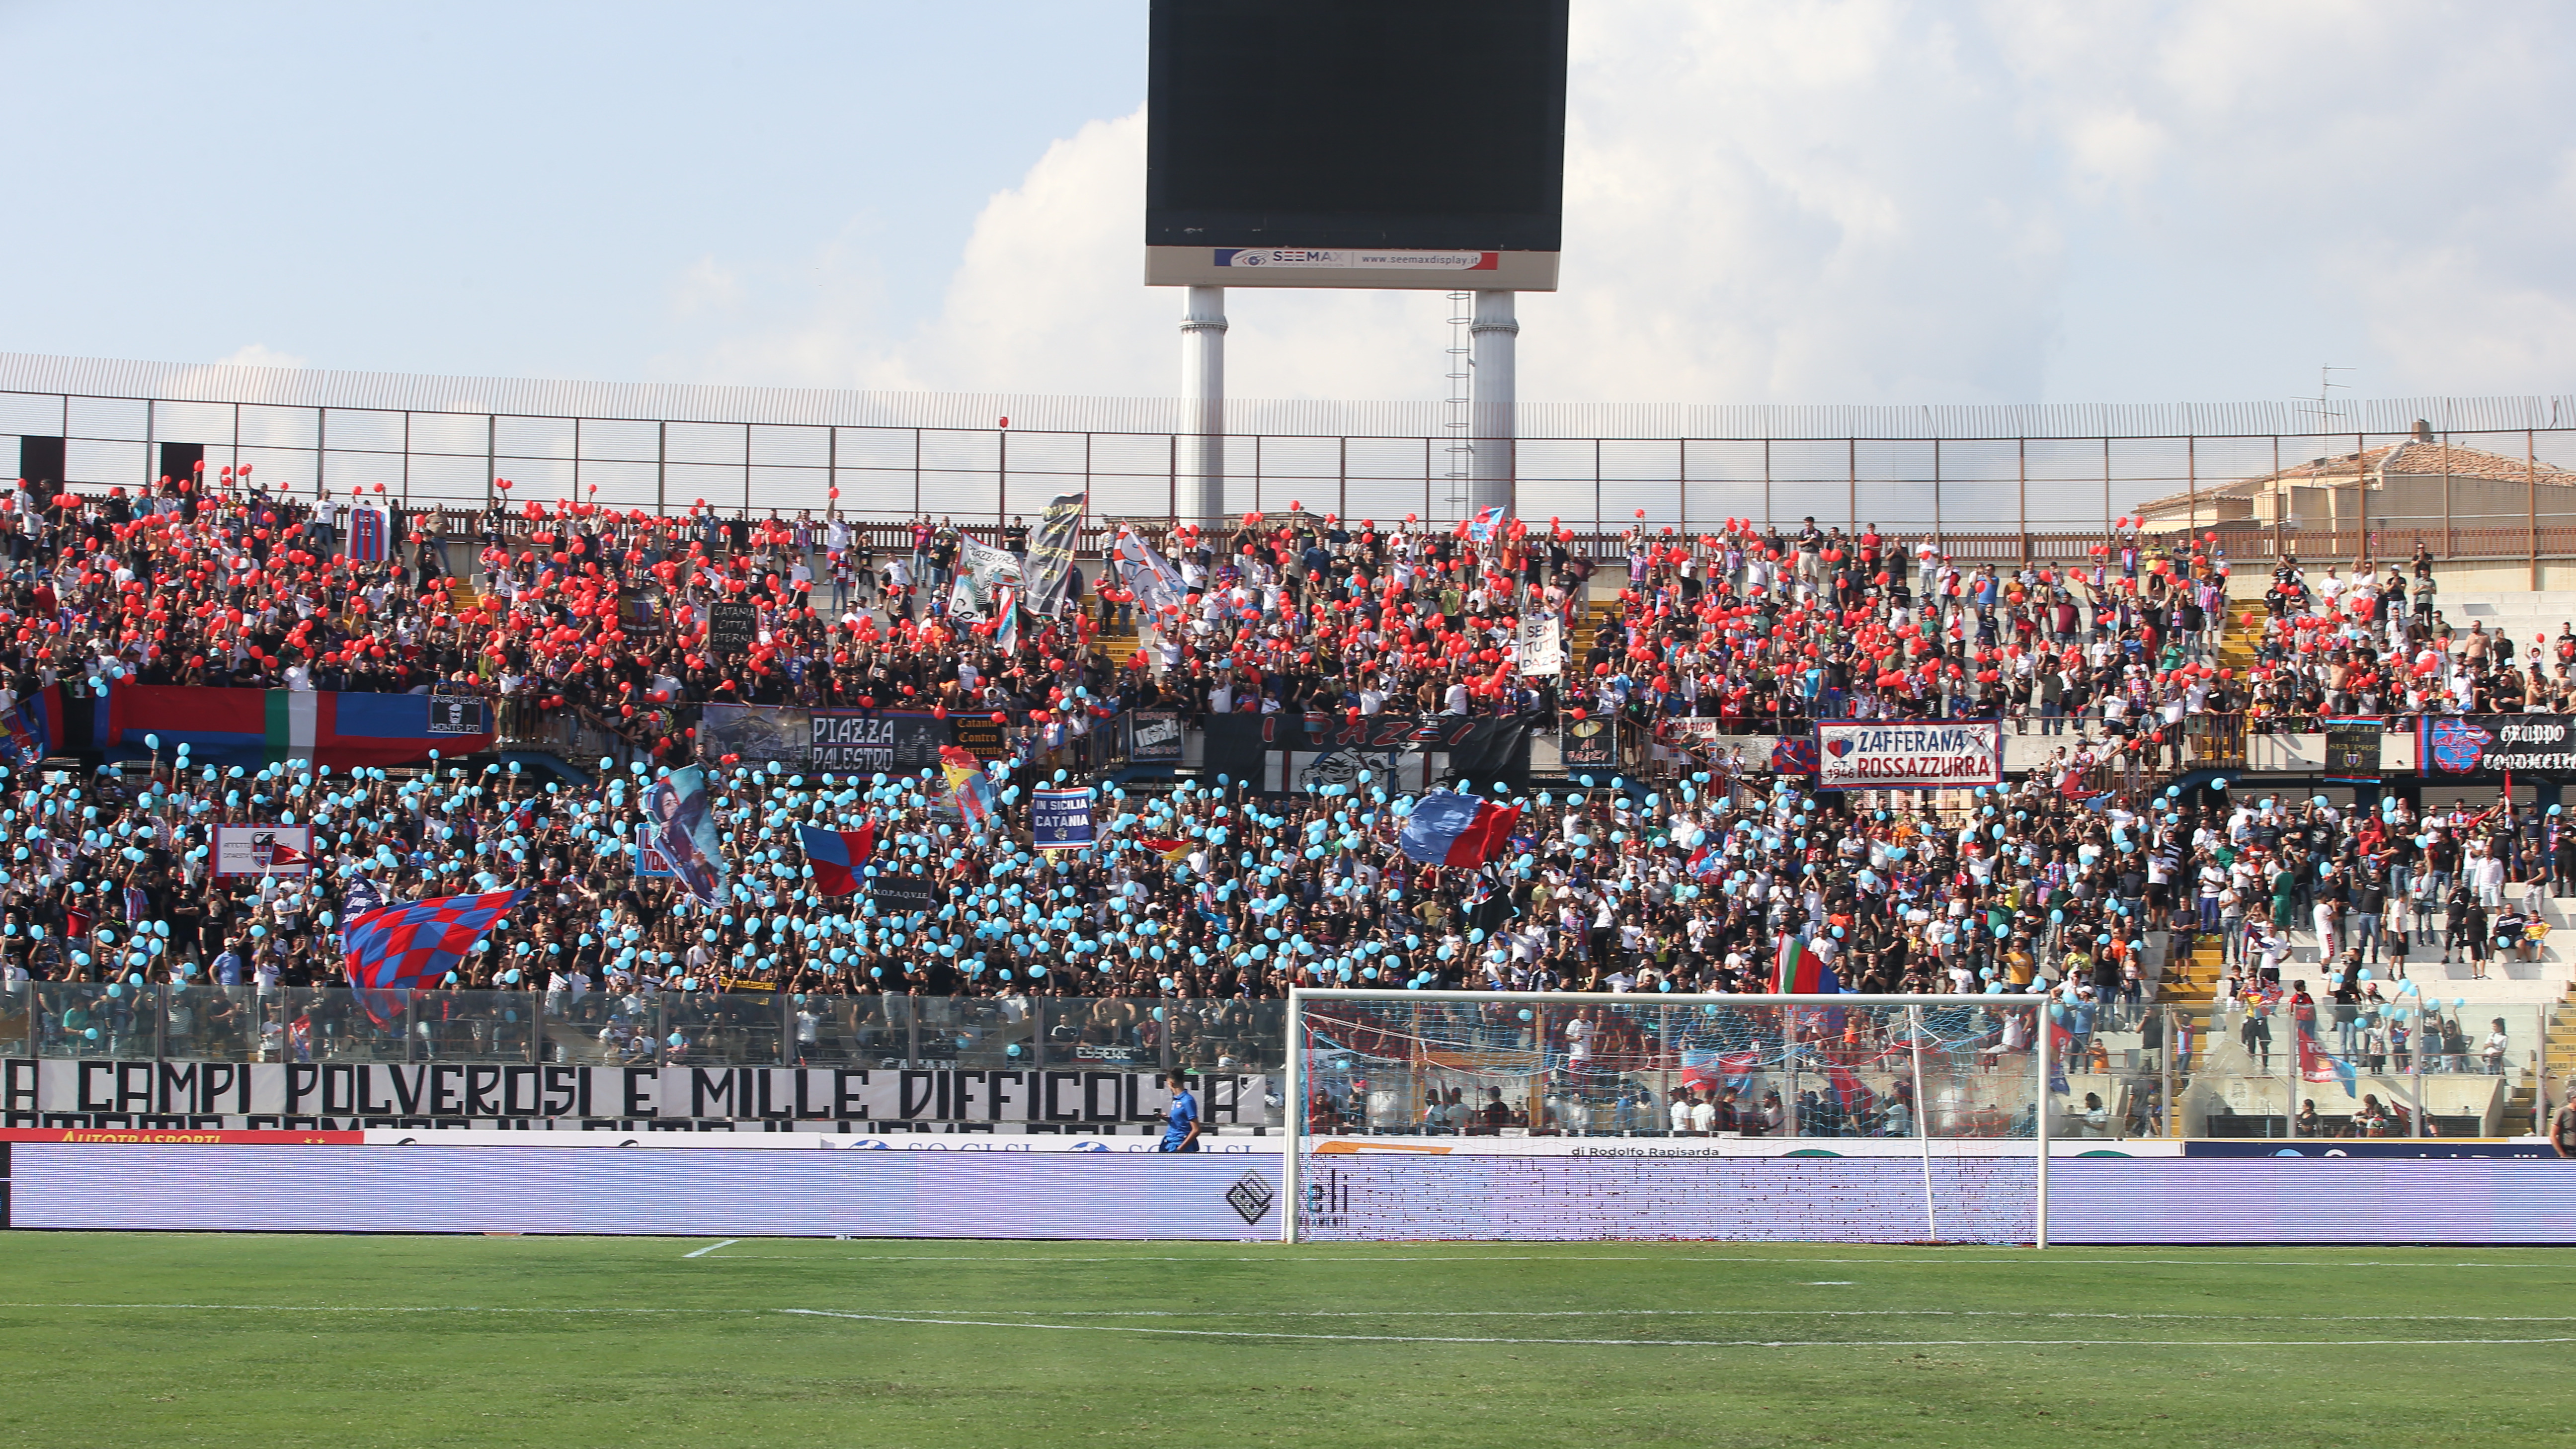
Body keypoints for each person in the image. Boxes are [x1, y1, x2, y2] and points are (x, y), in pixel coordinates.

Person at [1157, 1069, 1200, 1152]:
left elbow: (1196, 1129)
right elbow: (1182, 1121)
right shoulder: (1177, 1099)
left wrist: (1181, 1148)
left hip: (1179, 1143)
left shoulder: (1187, 1101)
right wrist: (1168, 1119)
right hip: (1170, 1141)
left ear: (1171, 1083)